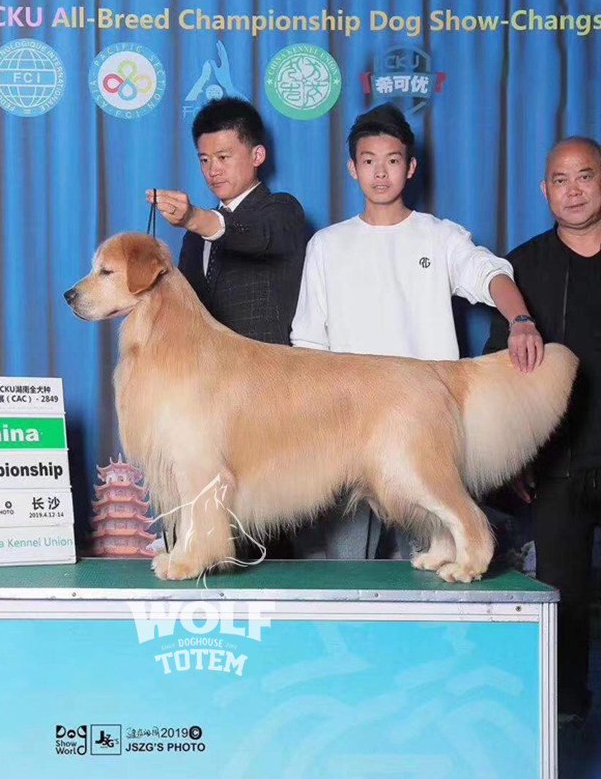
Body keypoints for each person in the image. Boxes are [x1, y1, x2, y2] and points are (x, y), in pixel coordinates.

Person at [291, 103, 544, 560]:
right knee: (347, 568)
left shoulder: (439, 236)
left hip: (422, 427)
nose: (380, 173)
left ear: (410, 167)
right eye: (368, 161)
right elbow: (308, 345)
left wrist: (521, 319)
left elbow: (490, 275)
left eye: (392, 161)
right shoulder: (326, 245)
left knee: (437, 564)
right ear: (353, 168)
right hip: (348, 430)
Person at [485, 136, 601, 725]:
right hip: (558, 465)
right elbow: (496, 371)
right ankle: (566, 711)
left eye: (585, 176)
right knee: (563, 595)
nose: (574, 190)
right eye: (561, 179)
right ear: (544, 190)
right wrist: (514, 454)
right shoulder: (523, 267)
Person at [147, 97, 307, 345]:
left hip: (266, 374)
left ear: (257, 155)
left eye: (223, 157)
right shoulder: (194, 235)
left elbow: (255, 235)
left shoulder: (282, 211)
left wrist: (193, 218)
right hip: (201, 373)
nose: (213, 170)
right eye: (204, 160)